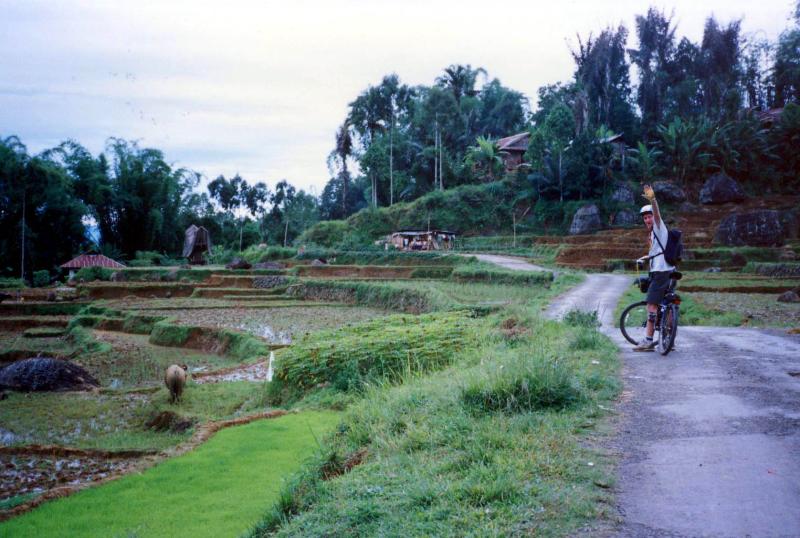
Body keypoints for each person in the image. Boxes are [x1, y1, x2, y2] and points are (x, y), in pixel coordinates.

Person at [633, 184, 675, 351]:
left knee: (651, 305)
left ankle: (648, 340)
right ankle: (670, 340)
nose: (647, 220)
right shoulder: (654, 234)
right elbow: (657, 251)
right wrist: (646, 257)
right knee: (667, 305)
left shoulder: (658, 226)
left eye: (649, 217)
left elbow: (657, 215)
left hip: (661, 273)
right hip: (670, 270)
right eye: (645, 218)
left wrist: (653, 199)